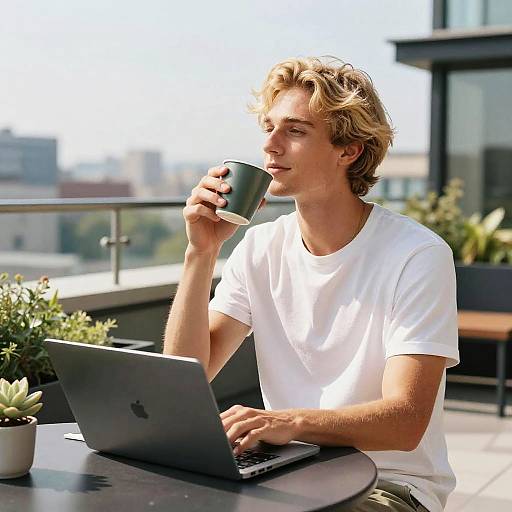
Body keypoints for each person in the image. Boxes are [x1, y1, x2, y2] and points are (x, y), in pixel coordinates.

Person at [163, 57, 459, 512]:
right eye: (269, 127)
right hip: (287, 469)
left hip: (389, 485)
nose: (270, 146)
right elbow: (185, 376)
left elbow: (404, 422)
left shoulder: (417, 255)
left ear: (349, 151)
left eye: (295, 131)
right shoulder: (259, 247)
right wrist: (199, 253)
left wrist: (286, 421)